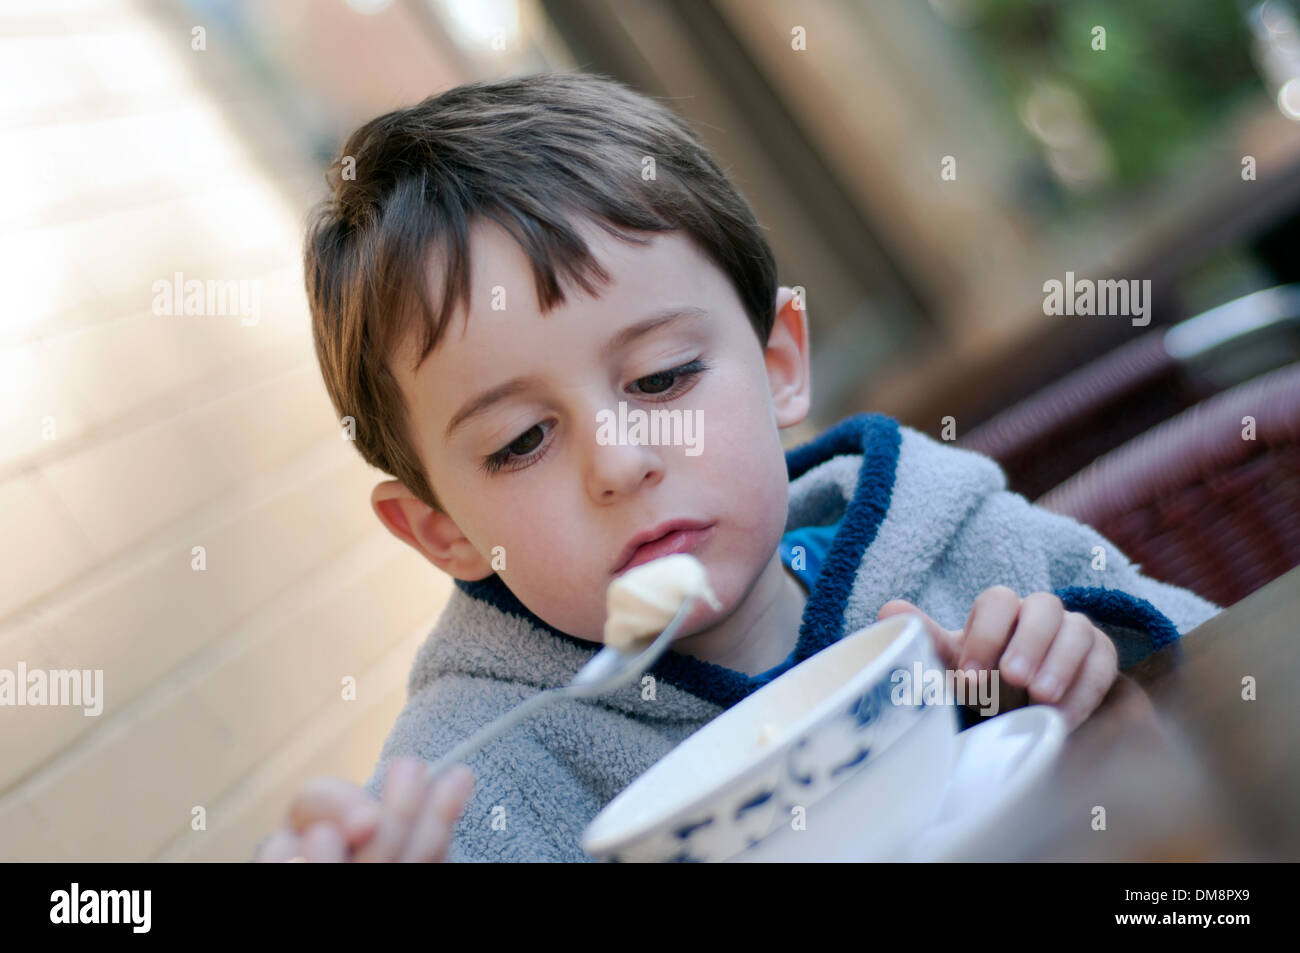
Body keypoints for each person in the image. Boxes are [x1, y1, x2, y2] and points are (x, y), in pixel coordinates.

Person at [254, 72, 1220, 863]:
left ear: (778, 364)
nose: (621, 463)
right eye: (519, 442)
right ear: (444, 530)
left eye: (663, 377)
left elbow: (1227, 685)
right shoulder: (481, 777)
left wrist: (1097, 686)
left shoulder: (952, 536)